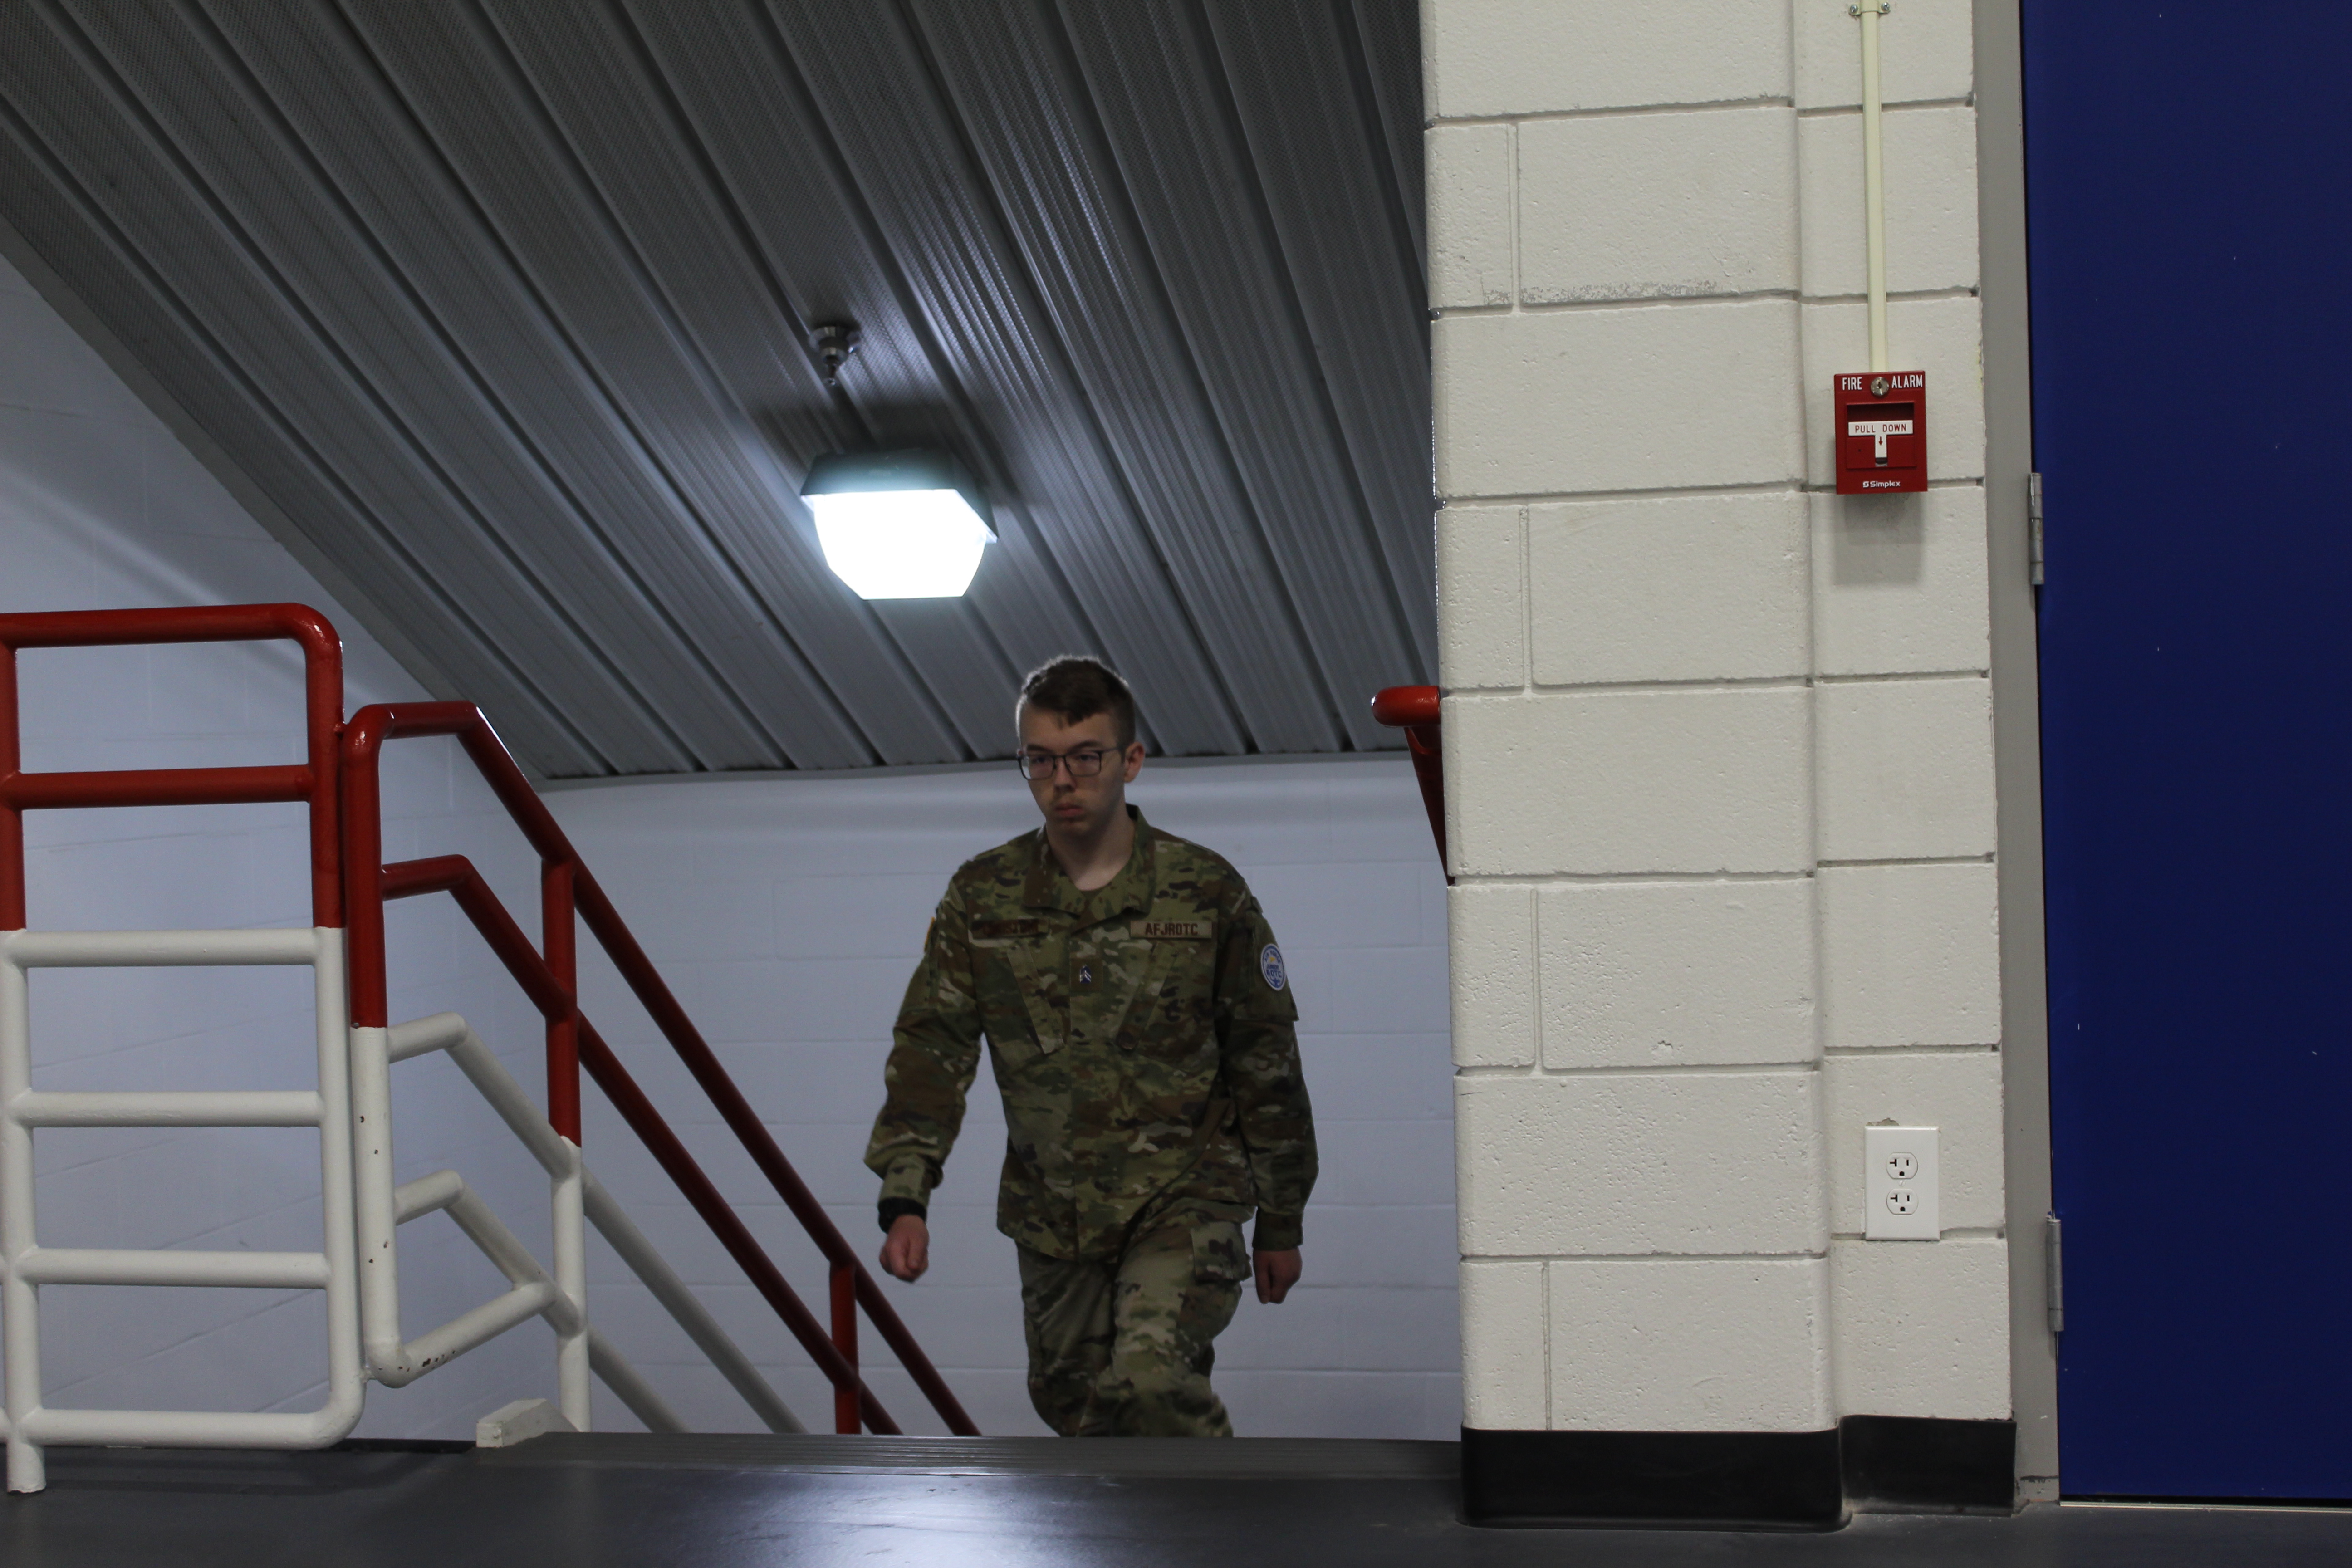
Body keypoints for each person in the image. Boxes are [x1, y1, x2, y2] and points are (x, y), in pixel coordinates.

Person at [864, 656, 1317, 1438]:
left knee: (1150, 1385)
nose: (1061, 781)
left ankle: (1220, 1539)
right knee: (1078, 1411)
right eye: (1039, 760)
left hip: (1186, 1195)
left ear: (1130, 761)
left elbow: (1265, 1059)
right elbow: (933, 1045)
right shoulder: (983, 896)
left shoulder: (1206, 892)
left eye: (1084, 758)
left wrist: (1282, 1219)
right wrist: (907, 1195)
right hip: (1053, 1212)